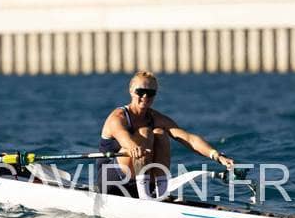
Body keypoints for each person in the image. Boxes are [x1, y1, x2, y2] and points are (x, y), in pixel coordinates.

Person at [97, 70, 234, 199]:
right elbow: (123, 138)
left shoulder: (156, 118)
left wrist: (217, 155)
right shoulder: (118, 117)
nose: (145, 96)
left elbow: (189, 139)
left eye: (150, 93)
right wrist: (134, 147)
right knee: (145, 132)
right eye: (141, 91)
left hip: (142, 180)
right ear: (131, 91)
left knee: (160, 133)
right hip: (112, 181)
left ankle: (161, 193)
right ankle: (145, 197)